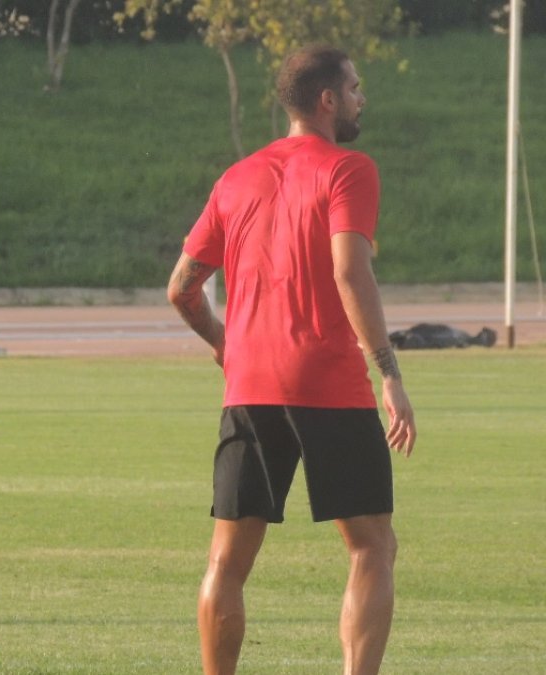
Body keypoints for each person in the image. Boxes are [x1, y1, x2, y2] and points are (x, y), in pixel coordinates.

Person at [166, 45, 416, 675]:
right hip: (328, 383)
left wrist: (225, 344)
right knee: (370, 548)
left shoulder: (237, 177)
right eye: (356, 88)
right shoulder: (348, 169)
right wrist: (388, 372)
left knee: (227, 561)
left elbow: (180, 289)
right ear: (327, 100)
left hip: (249, 387)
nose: (362, 98)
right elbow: (349, 273)